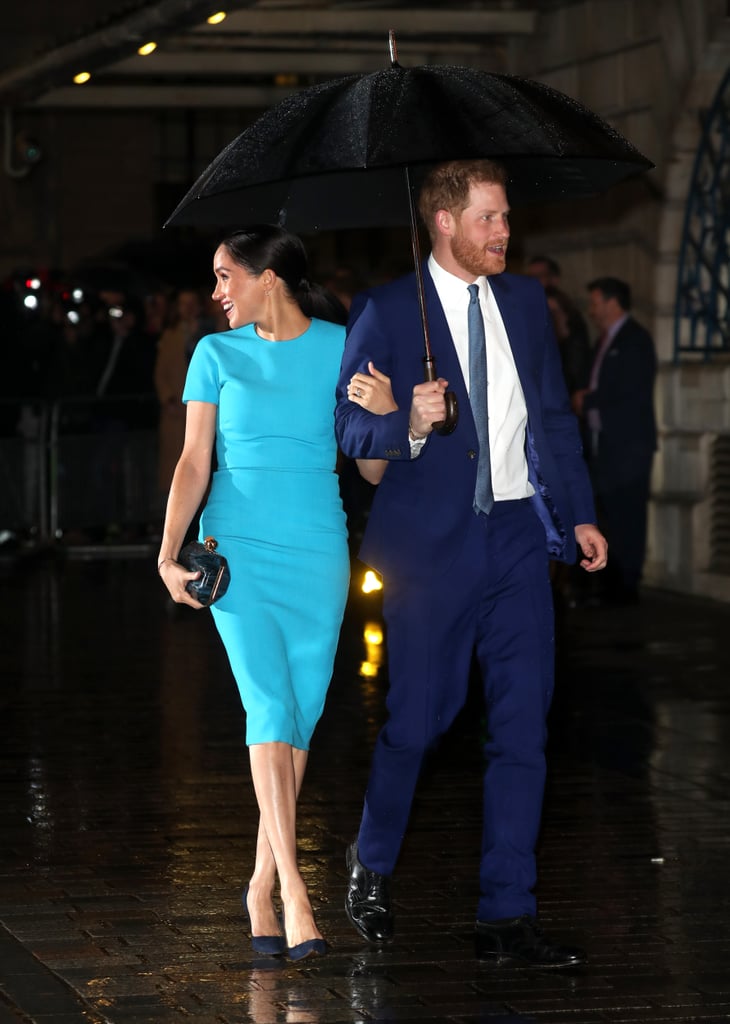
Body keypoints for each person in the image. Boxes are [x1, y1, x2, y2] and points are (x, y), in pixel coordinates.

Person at [335, 159, 607, 968]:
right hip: (430, 550)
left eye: (506, 218)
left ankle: (506, 912)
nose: (505, 233)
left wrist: (583, 514)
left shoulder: (525, 301)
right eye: (489, 218)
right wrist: (407, 424)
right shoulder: (386, 309)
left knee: (525, 726)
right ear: (445, 222)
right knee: (420, 722)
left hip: (520, 536)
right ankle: (372, 861)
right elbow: (351, 437)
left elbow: (554, 419)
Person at [157, 225, 350, 961]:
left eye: (225, 277)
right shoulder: (215, 354)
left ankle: (259, 883)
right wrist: (168, 553)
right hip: (235, 549)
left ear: (269, 277)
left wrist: (400, 412)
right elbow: (192, 463)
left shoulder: (342, 344)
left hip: (318, 547)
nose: (215, 293)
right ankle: (297, 891)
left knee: (301, 715)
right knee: (268, 706)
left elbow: (371, 453)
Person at [573, 277, 657, 604]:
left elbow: (629, 390)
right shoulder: (606, 340)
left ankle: (626, 587)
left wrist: (587, 400)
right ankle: (608, 584)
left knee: (628, 516)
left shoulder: (635, 340)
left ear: (612, 302)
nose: (592, 311)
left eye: (595, 302)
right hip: (603, 444)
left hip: (629, 448)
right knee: (607, 514)